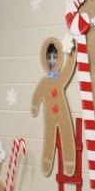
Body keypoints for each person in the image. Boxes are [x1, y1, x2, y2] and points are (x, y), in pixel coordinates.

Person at [32, 37, 77, 176]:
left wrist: (71, 51)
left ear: (59, 59)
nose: (52, 61)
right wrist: (35, 106)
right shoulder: (44, 82)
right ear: (45, 60)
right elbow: (37, 94)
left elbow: (68, 68)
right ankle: (47, 161)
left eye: (55, 57)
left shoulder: (60, 77)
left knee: (67, 135)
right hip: (50, 116)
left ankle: (69, 162)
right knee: (49, 139)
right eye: (49, 58)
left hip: (62, 113)